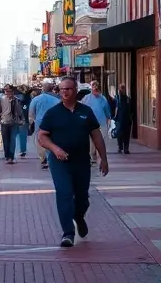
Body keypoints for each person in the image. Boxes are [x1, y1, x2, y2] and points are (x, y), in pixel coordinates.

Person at [38, 77, 109, 248]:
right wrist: (55, 149)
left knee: (82, 196)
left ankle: (78, 216)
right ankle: (67, 233)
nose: (64, 92)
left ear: (75, 90)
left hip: (81, 160)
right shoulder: (53, 113)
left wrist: (103, 158)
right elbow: (42, 136)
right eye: (61, 89)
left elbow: (96, 135)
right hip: (60, 162)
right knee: (64, 194)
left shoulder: (85, 111)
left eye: (68, 89)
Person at [28, 80, 61, 168]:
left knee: (39, 140)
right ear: (51, 89)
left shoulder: (36, 99)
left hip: (40, 122)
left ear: (43, 89)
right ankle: (51, 156)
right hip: (53, 122)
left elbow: (31, 113)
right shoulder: (56, 100)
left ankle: (43, 157)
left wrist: (31, 122)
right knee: (52, 139)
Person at [82, 81, 112, 166]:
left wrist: (108, 118)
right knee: (91, 141)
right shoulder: (86, 98)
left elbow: (107, 110)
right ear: (91, 88)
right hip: (90, 123)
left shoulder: (103, 99)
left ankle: (100, 157)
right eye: (94, 86)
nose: (95, 88)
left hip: (101, 123)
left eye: (97, 86)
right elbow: (81, 109)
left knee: (101, 140)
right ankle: (92, 156)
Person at [0, 85, 24, 164]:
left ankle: (11, 157)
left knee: (12, 140)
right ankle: (7, 156)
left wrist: (22, 119)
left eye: (10, 91)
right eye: (6, 91)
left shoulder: (16, 100)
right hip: (4, 122)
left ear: (13, 92)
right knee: (5, 140)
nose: (8, 93)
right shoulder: (1, 100)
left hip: (14, 122)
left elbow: (20, 111)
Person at [113, 83, 134, 155]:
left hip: (127, 120)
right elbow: (113, 108)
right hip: (119, 120)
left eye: (123, 88)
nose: (122, 90)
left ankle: (126, 148)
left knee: (126, 135)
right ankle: (120, 147)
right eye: (121, 88)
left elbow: (132, 109)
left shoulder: (128, 99)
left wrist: (131, 117)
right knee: (119, 134)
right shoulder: (116, 98)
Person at [15, 85, 32, 158]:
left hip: (22, 120)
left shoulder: (24, 102)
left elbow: (25, 109)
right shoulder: (27, 100)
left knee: (21, 136)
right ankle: (22, 150)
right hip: (21, 119)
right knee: (21, 136)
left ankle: (22, 151)